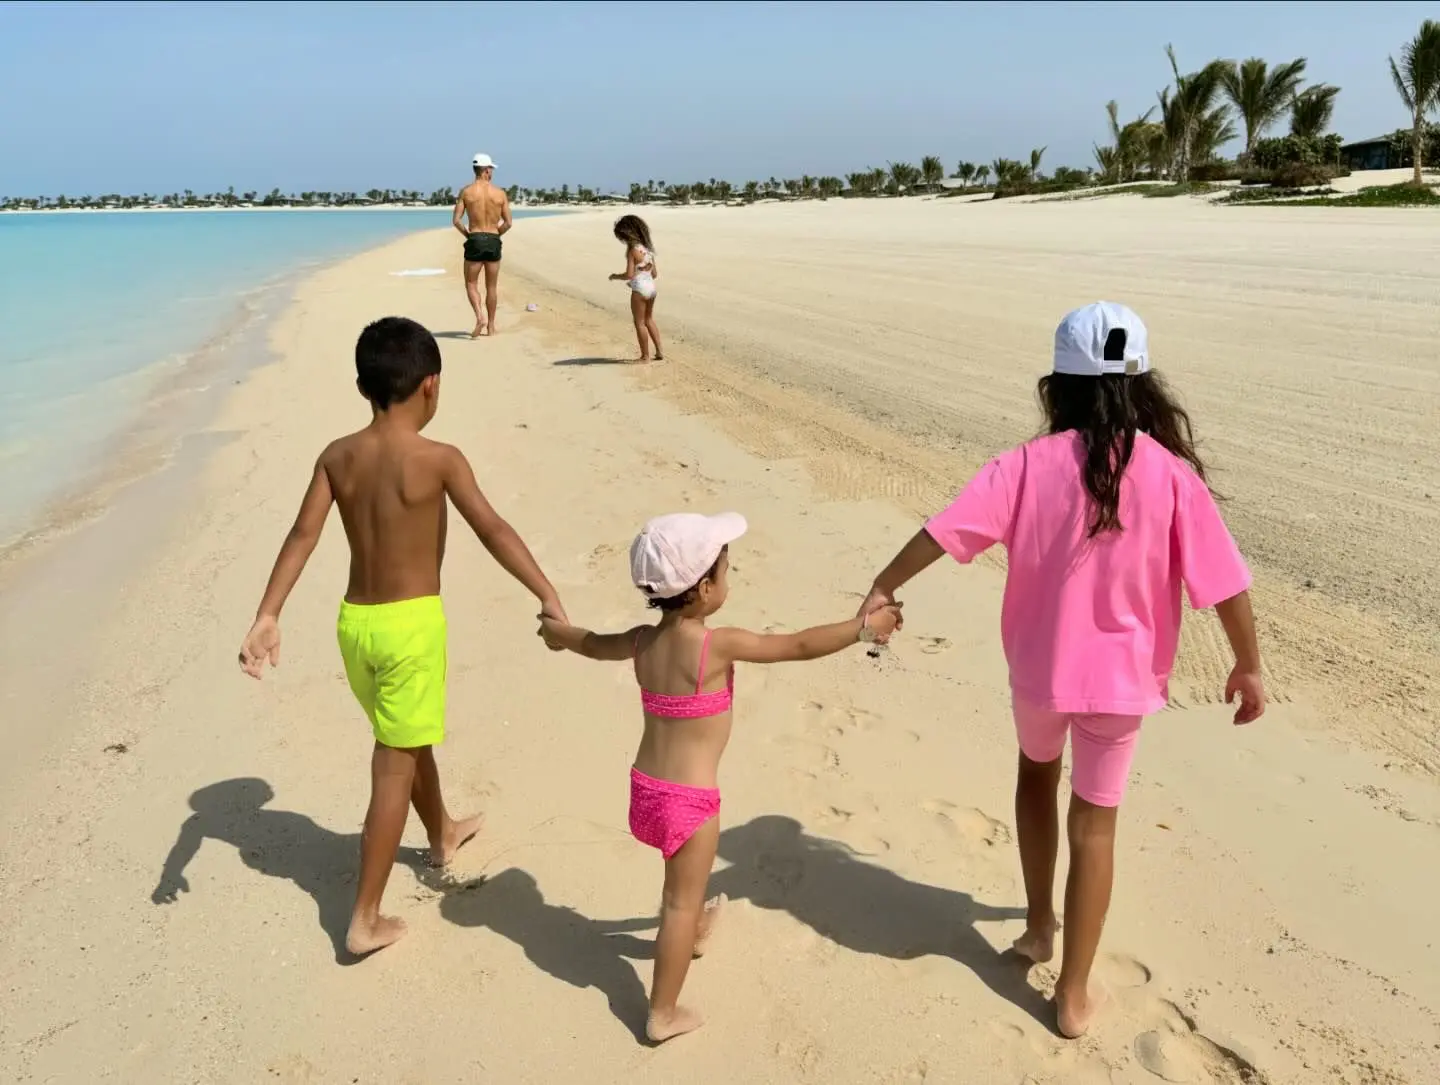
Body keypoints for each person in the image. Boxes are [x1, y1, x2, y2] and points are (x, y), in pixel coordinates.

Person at [855, 302, 1265, 1040]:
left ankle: (1040, 923)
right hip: (1122, 681)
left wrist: (886, 583)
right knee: (1096, 823)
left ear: (1058, 387)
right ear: (1142, 388)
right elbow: (1225, 581)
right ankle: (1073, 993)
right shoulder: (1169, 474)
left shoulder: (1024, 465)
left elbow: (944, 533)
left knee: (1036, 777)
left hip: (1040, 670)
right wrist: (1248, 664)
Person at [237, 316, 568, 957]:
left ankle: (441, 832)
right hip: (412, 630)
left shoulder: (338, 455)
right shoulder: (439, 459)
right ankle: (364, 918)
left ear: (364, 387)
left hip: (355, 628)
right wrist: (546, 592)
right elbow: (492, 528)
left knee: (404, 737)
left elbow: (302, 535)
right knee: (392, 766)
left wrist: (268, 612)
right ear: (431, 387)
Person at [538, 512, 903, 1043]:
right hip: (690, 801)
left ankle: (696, 927)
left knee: (684, 888)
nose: (728, 579)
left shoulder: (642, 641)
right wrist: (865, 628)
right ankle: (662, 1011)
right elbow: (796, 645)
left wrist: (558, 634)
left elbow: (593, 642)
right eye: (726, 571)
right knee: (678, 903)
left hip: (645, 790)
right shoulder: (716, 645)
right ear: (705, 587)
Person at [452, 153, 512, 338]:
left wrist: (469, 235)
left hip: (475, 239)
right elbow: (508, 222)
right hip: (493, 240)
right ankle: (491, 327)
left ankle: (480, 316)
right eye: (491, 169)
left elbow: (456, 220)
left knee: (471, 283)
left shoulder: (466, 192)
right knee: (491, 287)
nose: (491, 172)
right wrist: (495, 235)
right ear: (486, 170)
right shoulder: (500, 193)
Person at [608, 215, 664, 361]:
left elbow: (629, 275)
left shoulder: (632, 251)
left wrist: (615, 276)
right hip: (651, 289)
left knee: (639, 323)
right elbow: (655, 274)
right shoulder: (648, 249)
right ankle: (659, 351)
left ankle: (645, 356)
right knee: (649, 319)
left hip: (639, 290)